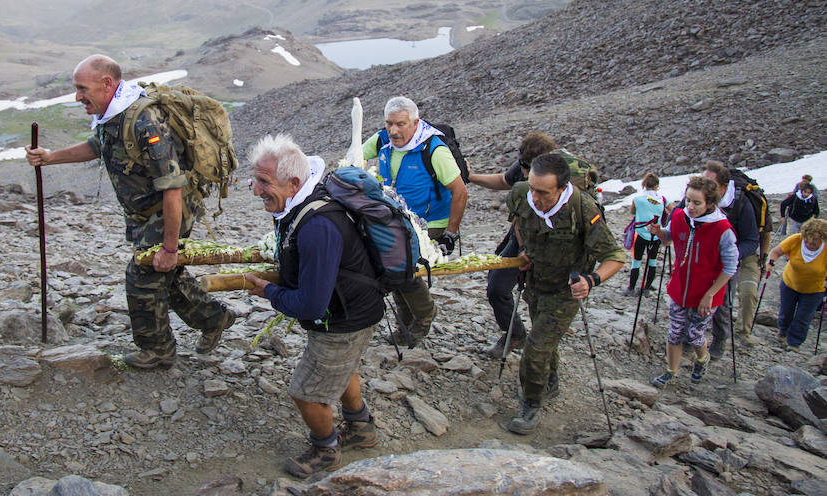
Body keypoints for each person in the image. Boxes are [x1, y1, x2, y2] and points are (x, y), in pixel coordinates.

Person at [25, 55, 235, 369]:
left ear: (107, 84)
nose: (77, 97)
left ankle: (158, 351)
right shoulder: (111, 114)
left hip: (168, 208)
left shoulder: (143, 121)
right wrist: (50, 157)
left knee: (142, 275)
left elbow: (172, 187)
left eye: (83, 89)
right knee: (165, 271)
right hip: (146, 211)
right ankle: (214, 318)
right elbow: (97, 146)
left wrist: (169, 246)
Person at [242, 135, 384, 478]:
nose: (256, 190)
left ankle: (325, 450)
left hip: (343, 320)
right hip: (356, 310)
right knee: (342, 369)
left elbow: (310, 304)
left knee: (306, 392)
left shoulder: (318, 225)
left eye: (264, 182)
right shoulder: (303, 205)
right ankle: (362, 429)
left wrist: (269, 292)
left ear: (293, 183)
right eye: (255, 180)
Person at [504, 153, 625, 434]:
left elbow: (615, 256)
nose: (535, 197)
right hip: (536, 283)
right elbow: (519, 224)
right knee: (544, 339)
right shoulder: (522, 194)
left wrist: (592, 279)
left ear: (561, 187)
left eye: (543, 192)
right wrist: (523, 251)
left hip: (565, 291)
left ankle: (531, 404)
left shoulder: (582, 208)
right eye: (531, 187)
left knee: (536, 346)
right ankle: (550, 382)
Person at [469, 131, 599, 358]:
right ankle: (515, 333)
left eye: (529, 170)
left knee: (544, 308)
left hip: (560, 247)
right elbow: (505, 181)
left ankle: (546, 370)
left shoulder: (566, 175)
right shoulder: (527, 164)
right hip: (524, 237)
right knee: (496, 287)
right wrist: (470, 177)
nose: (525, 174)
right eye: (524, 169)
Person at [361, 96, 467, 346]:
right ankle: (405, 324)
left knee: (402, 265)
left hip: (431, 223)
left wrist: (450, 233)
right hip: (399, 220)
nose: (393, 131)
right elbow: (355, 157)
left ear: (415, 122)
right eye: (389, 124)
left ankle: (424, 315)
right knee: (392, 266)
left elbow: (460, 191)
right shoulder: (382, 140)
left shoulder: (434, 149)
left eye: (400, 124)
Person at [648, 176, 738, 389]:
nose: (690, 206)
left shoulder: (722, 229)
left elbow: (730, 267)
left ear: (710, 204)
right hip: (680, 288)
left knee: (695, 335)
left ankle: (702, 358)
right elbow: (670, 238)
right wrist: (660, 232)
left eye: (696, 203)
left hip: (707, 294)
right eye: (688, 200)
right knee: (675, 332)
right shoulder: (679, 215)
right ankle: (671, 372)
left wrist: (710, 294)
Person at [702, 160, 763, 353]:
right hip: (700, 257)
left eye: (710, 184)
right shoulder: (697, 197)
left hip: (726, 262)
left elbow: (752, 240)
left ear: (723, 186)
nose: (705, 188)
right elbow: (677, 216)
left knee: (721, 302)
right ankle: (692, 337)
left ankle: (719, 339)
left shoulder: (740, 203)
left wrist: (730, 255)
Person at [765, 218, 827, 352]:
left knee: (803, 316)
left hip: (814, 289)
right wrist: (770, 263)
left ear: (822, 239)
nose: (810, 244)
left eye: (814, 242)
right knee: (786, 311)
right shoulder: (796, 239)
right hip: (790, 283)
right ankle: (783, 332)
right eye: (808, 240)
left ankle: (794, 342)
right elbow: (776, 252)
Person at [624, 172, 666, 296]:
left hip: (640, 233)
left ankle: (631, 288)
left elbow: (633, 212)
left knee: (636, 261)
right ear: (656, 186)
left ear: (644, 184)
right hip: (655, 234)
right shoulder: (663, 199)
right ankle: (646, 288)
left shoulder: (637, 199)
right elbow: (672, 209)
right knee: (652, 261)